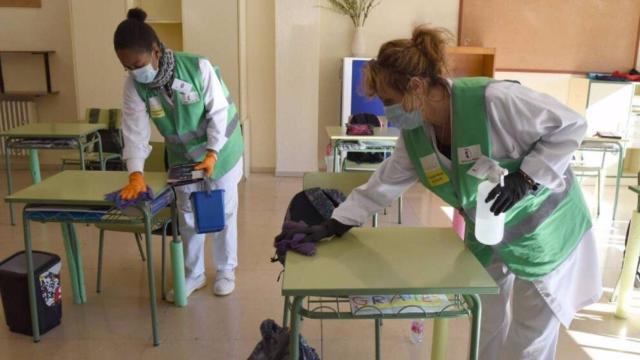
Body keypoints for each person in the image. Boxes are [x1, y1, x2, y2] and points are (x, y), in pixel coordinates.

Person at [297, 26, 602, 359]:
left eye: (389, 101)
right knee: (486, 322)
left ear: (415, 87)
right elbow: (383, 183)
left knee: (529, 337)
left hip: (544, 232)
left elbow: (571, 125)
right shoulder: (416, 135)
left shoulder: (495, 101)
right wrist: (335, 223)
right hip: (490, 233)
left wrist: (527, 177)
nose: (387, 112)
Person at [113, 8, 244, 299]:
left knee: (223, 209)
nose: (134, 72)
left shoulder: (198, 67)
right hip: (182, 157)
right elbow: (134, 130)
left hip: (221, 150)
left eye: (137, 64)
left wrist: (211, 153)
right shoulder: (135, 87)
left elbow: (219, 112)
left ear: (155, 51)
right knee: (187, 215)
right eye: (127, 67)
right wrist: (135, 173)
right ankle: (193, 274)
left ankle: (225, 270)